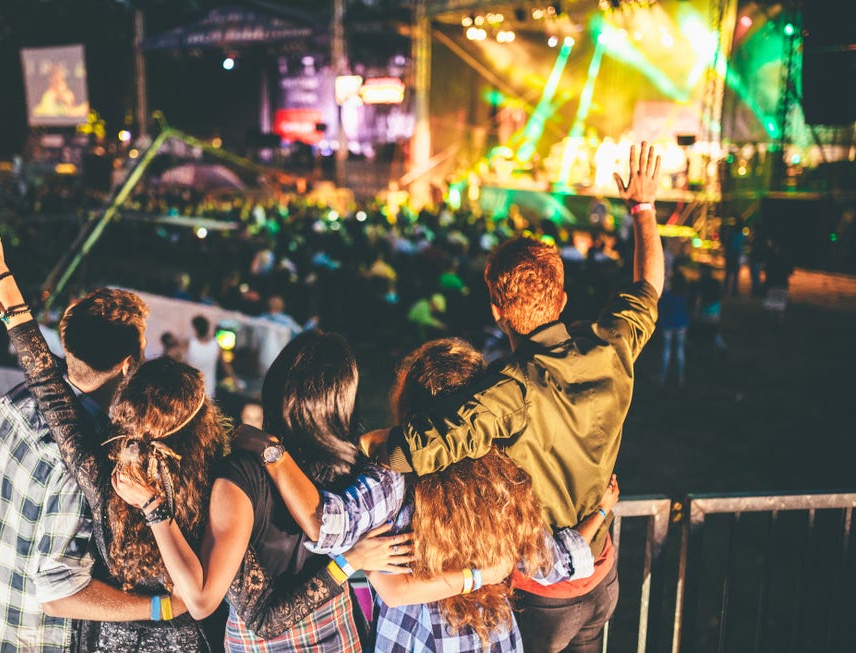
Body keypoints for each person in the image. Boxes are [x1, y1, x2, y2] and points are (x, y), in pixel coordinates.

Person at [0, 210, 398, 652]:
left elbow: (45, 379)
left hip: (64, 635)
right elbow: (252, 614)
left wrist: (2, 277)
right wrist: (347, 562)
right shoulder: (214, 486)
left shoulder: (101, 466)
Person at [369, 143, 665, 653]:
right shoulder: (612, 345)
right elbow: (648, 284)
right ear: (562, 298)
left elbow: (413, 449)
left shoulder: (510, 387)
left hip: (539, 596)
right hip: (601, 577)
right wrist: (643, 209)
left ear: (496, 311)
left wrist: (367, 441)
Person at [236, 338, 621, 652]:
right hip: (493, 642)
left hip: (415, 642)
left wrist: (274, 453)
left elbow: (326, 525)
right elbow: (554, 563)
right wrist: (601, 514)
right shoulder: (506, 477)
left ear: (408, 398)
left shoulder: (393, 474)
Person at [112, 330, 412, 651]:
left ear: (275, 388)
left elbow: (228, 611)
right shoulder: (359, 463)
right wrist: (351, 562)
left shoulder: (242, 473)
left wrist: (154, 508)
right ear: (345, 398)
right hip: (342, 635)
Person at [0, 269, 189, 651]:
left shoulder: (15, 402)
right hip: (31, 641)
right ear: (129, 364)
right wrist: (163, 607)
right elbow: (59, 594)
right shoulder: (87, 456)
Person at [184, 315, 236, 399]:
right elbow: (226, 365)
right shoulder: (215, 345)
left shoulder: (189, 343)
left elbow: (178, 359)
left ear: (195, 328)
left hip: (190, 386)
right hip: (208, 388)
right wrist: (235, 381)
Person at [658, 272, 691, 385]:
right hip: (682, 324)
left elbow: (661, 309)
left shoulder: (667, 295)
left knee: (666, 350)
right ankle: (681, 377)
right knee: (680, 350)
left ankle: (663, 376)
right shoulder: (686, 295)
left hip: (668, 324)